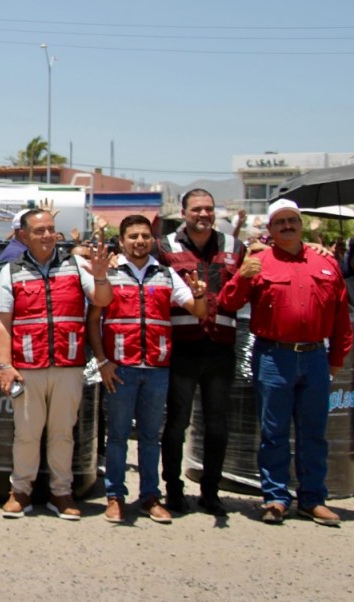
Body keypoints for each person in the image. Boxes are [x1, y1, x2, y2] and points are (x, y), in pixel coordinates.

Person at [218, 199, 352, 526]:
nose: (288, 226)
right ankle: (276, 497)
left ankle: (312, 499)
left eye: (293, 220)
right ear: (271, 229)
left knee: (313, 432)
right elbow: (227, 302)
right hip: (273, 357)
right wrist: (243, 276)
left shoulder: (326, 262)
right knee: (274, 432)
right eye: (281, 222)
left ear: (301, 224)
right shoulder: (258, 261)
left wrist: (335, 359)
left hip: (315, 358)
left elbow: (340, 317)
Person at [84, 215, 207, 524]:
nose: (140, 241)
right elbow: (93, 321)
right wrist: (102, 362)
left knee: (151, 437)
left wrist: (202, 295)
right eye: (133, 236)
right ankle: (115, 496)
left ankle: (150, 497)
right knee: (118, 437)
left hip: (156, 369)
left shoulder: (167, 275)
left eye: (144, 236)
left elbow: (198, 310)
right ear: (122, 241)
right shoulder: (110, 274)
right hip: (120, 369)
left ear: (152, 240)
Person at [0, 209, 112, 520]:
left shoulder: (75, 266)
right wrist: (4, 365)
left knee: (62, 433)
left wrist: (100, 275)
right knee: (26, 433)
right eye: (39, 230)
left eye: (51, 229)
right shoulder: (11, 271)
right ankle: (20, 491)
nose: (47, 235)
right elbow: (1, 323)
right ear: (24, 236)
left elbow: (101, 299)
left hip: (68, 366)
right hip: (28, 368)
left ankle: (62, 492)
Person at [156, 189, 246, 516]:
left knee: (217, 424)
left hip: (220, 347)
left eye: (209, 209)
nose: (203, 215)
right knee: (177, 423)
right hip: (182, 348)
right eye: (197, 209)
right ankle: (174, 491)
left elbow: (249, 280)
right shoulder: (165, 246)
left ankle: (211, 491)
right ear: (184, 212)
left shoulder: (235, 247)